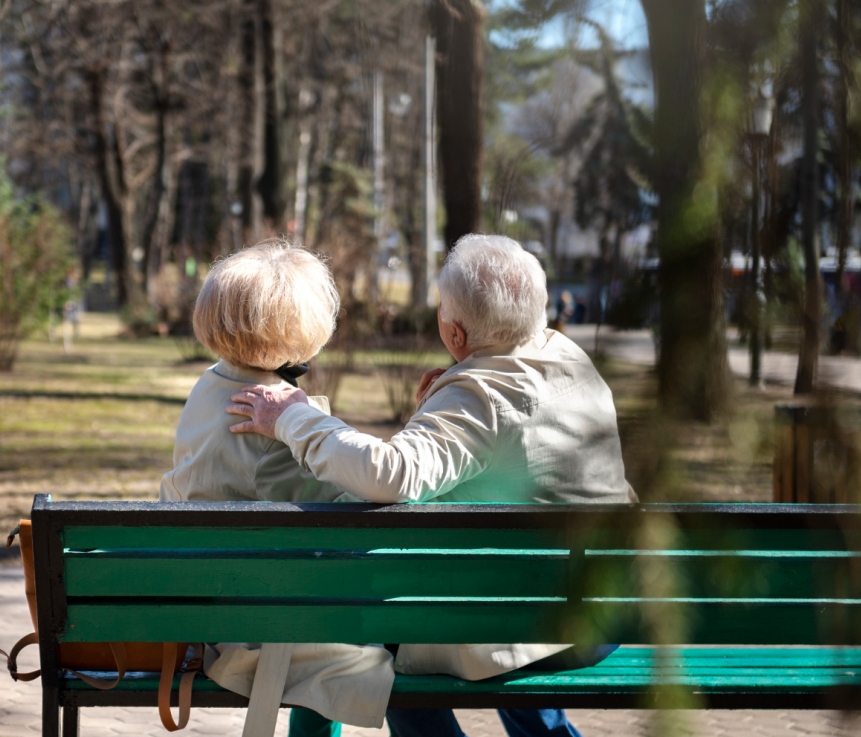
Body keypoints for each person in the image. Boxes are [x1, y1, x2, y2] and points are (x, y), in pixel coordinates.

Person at [227, 234, 636, 737]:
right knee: (498, 607)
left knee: (379, 639)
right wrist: (436, 409)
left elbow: (390, 475)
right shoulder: (569, 359)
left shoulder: (479, 397)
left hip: (545, 625)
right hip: (608, 608)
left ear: (456, 331)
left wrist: (293, 417)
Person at [159, 239, 394, 729]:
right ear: (303, 327)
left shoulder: (210, 385)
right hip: (256, 623)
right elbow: (347, 514)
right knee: (367, 640)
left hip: (211, 596)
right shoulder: (270, 420)